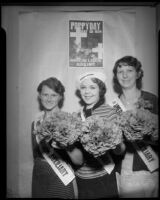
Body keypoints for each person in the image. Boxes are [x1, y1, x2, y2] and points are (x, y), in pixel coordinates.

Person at [68, 71, 126, 199]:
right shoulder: (76, 116)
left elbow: (120, 151)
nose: (87, 92)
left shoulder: (110, 112)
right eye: (83, 87)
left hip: (104, 176)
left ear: (101, 90)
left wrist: (116, 143)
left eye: (92, 87)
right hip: (82, 177)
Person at [112, 55, 159, 197]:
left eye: (130, 70)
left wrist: (145, 135)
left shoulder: (152, 100)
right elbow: (116, 149)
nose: (125, 75)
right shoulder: (112, 107)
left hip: (151, 167)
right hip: (126, 170)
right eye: (120, 71)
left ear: (138, 74)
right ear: (116, 76)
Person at [31, 77, 78, 198]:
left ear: (60, 97)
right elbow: (36, 154)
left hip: (60, 176)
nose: (49, 99)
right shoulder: (35, 123)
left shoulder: (68, 120)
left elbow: (77, 158)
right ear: (39, 96)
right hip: (39, 175)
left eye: (54, 95)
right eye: (45, 94)